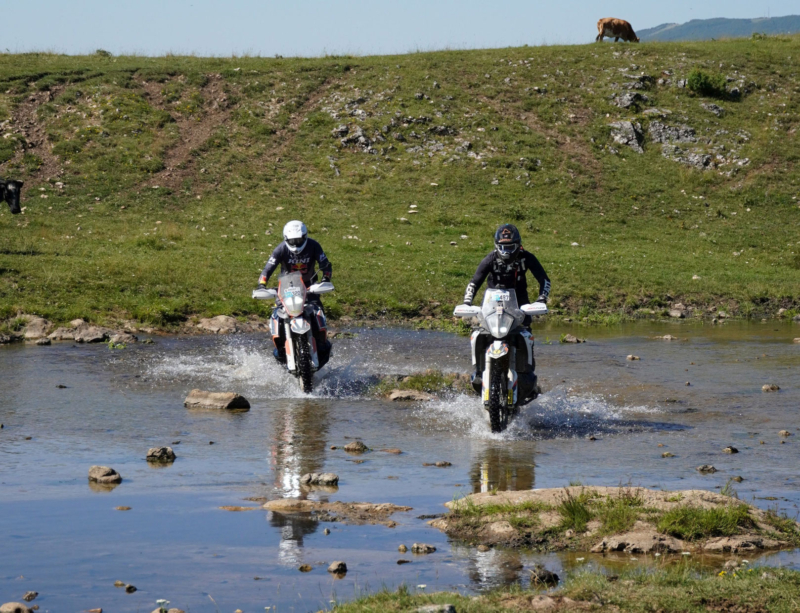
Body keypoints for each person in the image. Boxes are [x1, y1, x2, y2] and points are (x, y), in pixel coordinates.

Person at [463, 223, 550, 386]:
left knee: (525, 335)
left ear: (518, 245)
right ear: (496, 245)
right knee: (480, 333)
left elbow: (544, 280)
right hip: (492, 305)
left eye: (510, 247)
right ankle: (479, 370)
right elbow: (474, 282)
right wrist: (467, 302)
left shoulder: (527, 258)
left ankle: (528, 374)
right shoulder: (490, 259)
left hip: (519, 305)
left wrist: (541, 299)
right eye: (502, 247)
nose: (506, 251)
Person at [258, 220, 332, 365]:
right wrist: (262, 285)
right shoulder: (280, 249)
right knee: (277, 315)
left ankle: (322, 344)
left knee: (318, 312)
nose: (296, 244)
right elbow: (268, 268)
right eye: (292, 241)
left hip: (309, 288)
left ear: (305, 237)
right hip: (286, 289)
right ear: (286, 239)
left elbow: (326, 265)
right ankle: (280, 348)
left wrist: (325, 279)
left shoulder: (314, 246)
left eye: (299, 240)